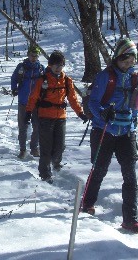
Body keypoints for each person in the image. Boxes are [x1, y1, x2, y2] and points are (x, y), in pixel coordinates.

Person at [81, 38, 138, 233]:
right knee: (99, 169)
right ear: (117, 58)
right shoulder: (105, 77)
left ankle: (130, 219)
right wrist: (103, 112)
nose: (128, 64)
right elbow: (93, 102)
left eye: (131, 61)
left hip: (126, 132)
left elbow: (135, 104)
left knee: (130, 176)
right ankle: (87, 204)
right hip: (104, 130)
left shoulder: (135, 78)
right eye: (125, 60)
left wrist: (133, 120)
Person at [25, 50, 87, 184]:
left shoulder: (66, 80)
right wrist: (28, 112)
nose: (59, 68)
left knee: (60, 146)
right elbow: (33, 97)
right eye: (56, 65)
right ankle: (45, 173)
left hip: (61, 117)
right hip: (45, 116)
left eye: (61, 65)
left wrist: (80, 113)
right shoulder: (43, 80)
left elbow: (72, 99)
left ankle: (56, 162)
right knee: (46, 147)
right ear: (50, 65)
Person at [11, 45, 45, 159]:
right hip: (23, 101)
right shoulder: (22, 67)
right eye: (31, 55)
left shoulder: (41, 68)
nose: (33, 58)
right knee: (23, 126)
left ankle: (34, 148)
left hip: (37, 102)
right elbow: (14, 78)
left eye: (36, 55)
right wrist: (14, 88)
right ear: (28, 55)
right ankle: (22, 149)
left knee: (37, 126)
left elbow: (46, 82)